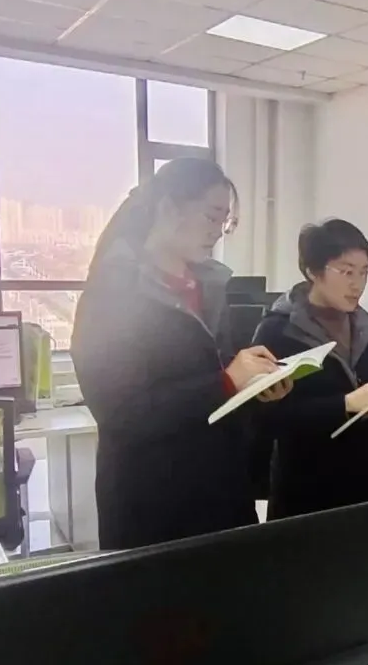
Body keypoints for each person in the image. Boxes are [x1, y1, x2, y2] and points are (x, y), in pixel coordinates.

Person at [72, 158, 292, 550]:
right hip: (154, 501)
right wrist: (227, 381)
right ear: (169, 208)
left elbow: (215, 380)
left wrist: (255, 387)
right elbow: (121, 412)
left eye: (225, 221)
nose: (217, 231)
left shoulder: (209, 286)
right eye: (211, 216)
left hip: (221, 489)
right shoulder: (114, 292)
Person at [253, 219, 368, 520]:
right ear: (312, 271)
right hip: (306, 487)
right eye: (347, 272)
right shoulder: (278, 331)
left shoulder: (366, 328)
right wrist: (344, 404)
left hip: (367, 481)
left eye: (364, 272)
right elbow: (265, 418)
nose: (357, 284)